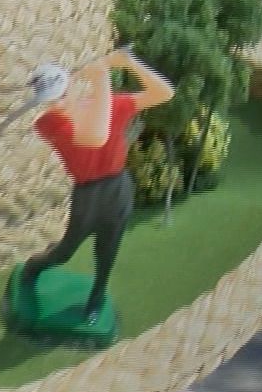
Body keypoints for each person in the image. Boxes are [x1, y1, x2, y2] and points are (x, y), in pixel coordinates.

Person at [21, 52, 174, 325]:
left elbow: (164, 93)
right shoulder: (47, 123)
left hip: (118, 186)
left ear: (70, 86)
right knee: (66, 250)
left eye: (60, 94)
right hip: (87, 193)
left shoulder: (107, 104)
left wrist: (129, 63)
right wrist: (101, 79)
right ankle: (35, 266)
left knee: (108, 249)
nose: (56, 104)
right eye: (48, 99)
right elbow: (95, 137)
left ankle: (97, 296)